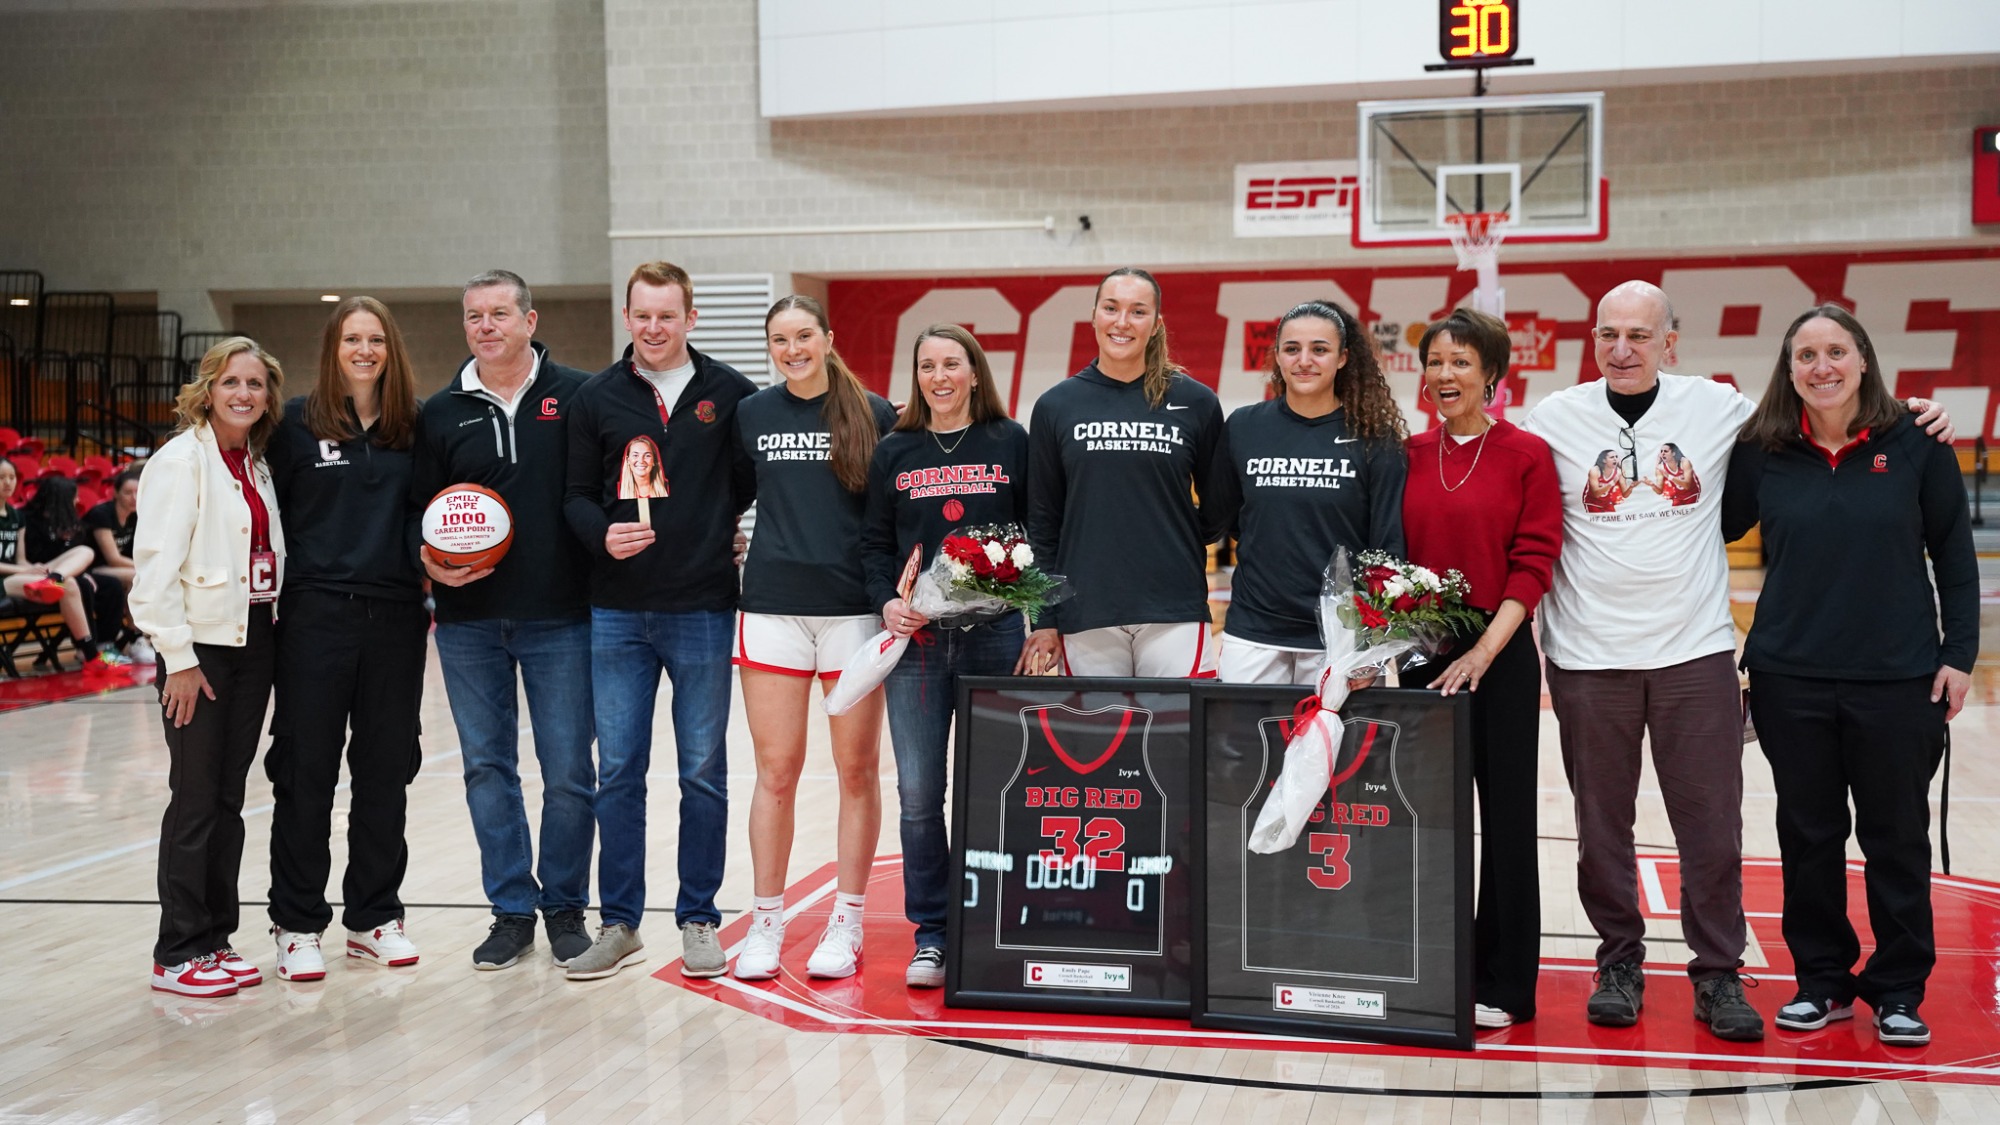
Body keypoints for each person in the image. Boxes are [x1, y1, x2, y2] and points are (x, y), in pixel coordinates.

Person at [1520, 280, 1954, 1043]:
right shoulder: (1552, 419)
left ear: (1670, 343)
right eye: (1608, 334)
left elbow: (1829, 404)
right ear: (1593, 341)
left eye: (1640, 335)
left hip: (1697, 651)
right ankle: (1619, 958)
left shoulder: (1723, 411)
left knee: (1713, 828)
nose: (1623, 349)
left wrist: (1919, 416)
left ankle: (1718, 969)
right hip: (1588, 655)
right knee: (1601, 828)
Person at [1723, 305, 1976, 1049]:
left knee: (1897, 836)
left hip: (1898, 680)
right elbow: (1705, 526)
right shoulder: (1764, 449)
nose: (1822, 366)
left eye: (1837, 351)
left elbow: (1955, 560)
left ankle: (1899, 988)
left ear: (1863, 360)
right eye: (1806, 355)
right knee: (1807, 836)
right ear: (1789, 368)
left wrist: (1957, 655)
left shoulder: (1917, 444)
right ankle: (1822, 980)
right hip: (1787, 676)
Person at [562, 261, 758, 981]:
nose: (653, 328)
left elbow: (748, 484)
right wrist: (601, 534)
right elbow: (575, 496)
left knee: (704, 773)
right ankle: (619, 923)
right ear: (627, 316)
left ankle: (699, 918)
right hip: (616, 613)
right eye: (642, 315)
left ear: (691, 318)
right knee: (618, 772)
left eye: (667, 315)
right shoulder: (596, 397)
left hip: (704, 607)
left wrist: (729, 533)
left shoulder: (731, 394)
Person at [412, 270, 596, 972]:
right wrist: (428, 560)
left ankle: (565, 909)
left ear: (529, 318)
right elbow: (414, 512)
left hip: (562, 617)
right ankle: (511, 911)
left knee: (570, 772)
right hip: (468, 621)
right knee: (488, 770)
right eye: (473, 316)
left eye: (498, 313)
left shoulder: (578, 396)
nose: (485, 326)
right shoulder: (440, 412)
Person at [1398, 307, 1564, 1029]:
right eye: (1435, 361)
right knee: (1424, 823)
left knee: (1504, 824)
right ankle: (1430, 965)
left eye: (1461, 362)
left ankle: (1503, 981)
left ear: (1493, 374)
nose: (1445, 375)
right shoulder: (1404, 455)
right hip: (1417, 659)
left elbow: (1534, 565)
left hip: (1495, 657)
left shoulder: (1527, 453)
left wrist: (1481, 652)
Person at [860, 323, 1035, 988]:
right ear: (917, 374)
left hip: (994, 634)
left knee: (997, 788)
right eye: (927, 364)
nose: (940, 375)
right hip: (920, 643)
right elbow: (873, 543)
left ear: (974, 370)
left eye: (952, 363)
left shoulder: (1009, 441)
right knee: (918, 794)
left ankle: (995, 919)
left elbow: (1037, 532)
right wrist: (885, 600)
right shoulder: (896, 449)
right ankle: (932, 931)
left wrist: (1036, 615)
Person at [261, 296, 429, 982]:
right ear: (333, 347)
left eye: (376, 339)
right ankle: (297, 922)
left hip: (396, 617)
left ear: (392, 350)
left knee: (388, 770)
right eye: (352, 338)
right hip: (315, 616)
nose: (364, 349)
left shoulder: (414, 428)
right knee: (306, 772)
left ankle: (373, 917)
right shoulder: (294, 425)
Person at [732, 294, 897, 981]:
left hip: (852, 613)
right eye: (779, 338)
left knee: (856, 771)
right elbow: (730, 494)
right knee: (775, 773)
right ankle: (766, 922)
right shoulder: (753, 414)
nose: (792, 348)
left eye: (803, 335)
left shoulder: (876, 413)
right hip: (771, 609)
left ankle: (847, 919)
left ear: (828, 338)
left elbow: (891, 510)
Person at [130, 337, 286, 997]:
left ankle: (216, 937)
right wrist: (178, 658)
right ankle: (177, 949)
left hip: (253, 640)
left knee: (228, 798)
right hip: (202, 650)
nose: (244, 394)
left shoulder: (254, 462)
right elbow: (154, 573)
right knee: (195, 798)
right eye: (232, 383)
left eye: (255, 383)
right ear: (208, 389)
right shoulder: (180, 461)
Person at [1024, 268, 1230, 677]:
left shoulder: (1196, 402)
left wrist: (1173, 534)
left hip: (1173, 607)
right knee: (1102, 741)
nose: (1122, 322)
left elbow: (1221, 505)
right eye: (1111, 308)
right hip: (1085, 609)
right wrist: (1045, 618)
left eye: (1138, 312)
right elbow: (1042, 523)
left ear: (1156, 325)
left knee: (1180, 738)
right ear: (1094, 316)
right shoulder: (1056, 406)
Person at [1210, 299, 1406, 684]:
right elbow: (1229, 517)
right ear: (1278, 357)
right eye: (1292, 349)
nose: (1304, 360)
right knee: (1243, 743)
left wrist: (1374, 643)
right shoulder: (1244, 427)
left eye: (1319, 349)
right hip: (1255, 629)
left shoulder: (1375, 440)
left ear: (1343, 358)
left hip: (1342, 636)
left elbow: (1387, 546)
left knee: (1338, 747)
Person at [0, 459, 113, 670]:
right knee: (70, 584)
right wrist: (26, 570)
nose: (8, 482)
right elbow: (20, 566)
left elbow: (21, 559)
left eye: (12, 477)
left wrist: (35, 567)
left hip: (20, 573)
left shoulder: (16, 516)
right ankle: (91, 656)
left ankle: (54, 578)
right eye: (1, 477)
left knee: (83, 555)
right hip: (5, 580)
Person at [19, 474, 131, 670]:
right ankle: (84, 648)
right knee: (82, 584)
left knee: (110, 585)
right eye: (74, 497)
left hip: (64, 573)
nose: (77, 501)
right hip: (37, 573)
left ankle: (105, 643)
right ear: (60, 498)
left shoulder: (70, 521)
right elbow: (30, 558)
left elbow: (76, 555)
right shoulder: (29, 520)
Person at [82, 465, 141, 590]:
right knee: (138, 575)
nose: (134, 498)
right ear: (115, 493)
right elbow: (113, 559)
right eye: (128, 493)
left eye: (138, 492)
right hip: (93, 567)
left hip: (116, 567)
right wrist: (146, 567)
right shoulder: (101, 514)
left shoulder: (136, 515)